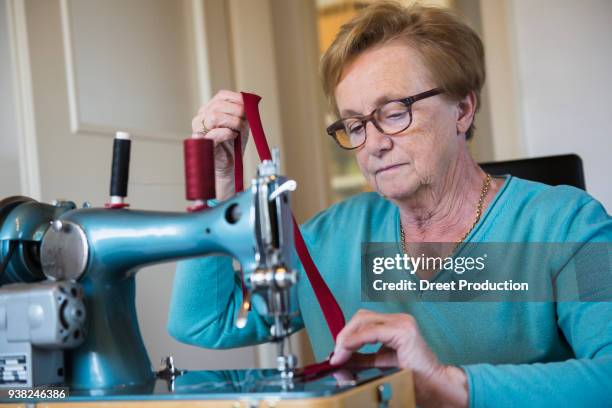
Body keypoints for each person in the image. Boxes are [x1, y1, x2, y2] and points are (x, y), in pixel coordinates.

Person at [168, 2, 612, 407]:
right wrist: (217, 187)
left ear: (462, 110)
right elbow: (205, 322)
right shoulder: (331, 240)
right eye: (355, 124)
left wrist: (448, 385)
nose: (373, 145)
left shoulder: (567, 224)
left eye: (395, 111)